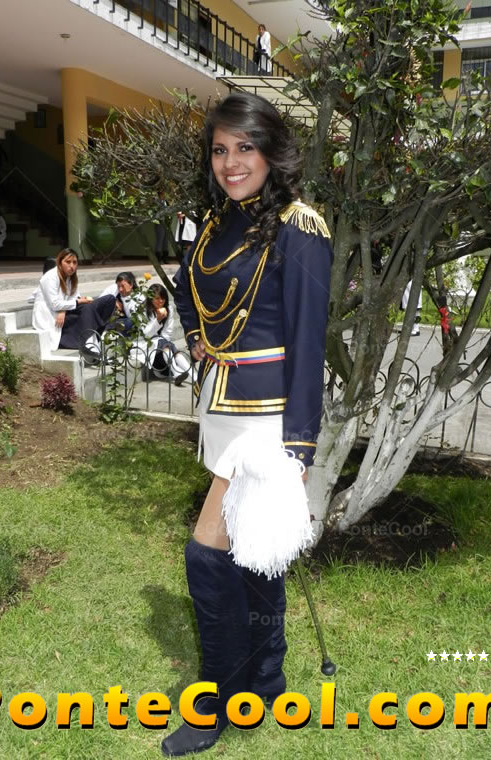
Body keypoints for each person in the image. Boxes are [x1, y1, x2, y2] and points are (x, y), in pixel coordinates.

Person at [163, 92, 332, 756]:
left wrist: (300, 447)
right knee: (256, 558)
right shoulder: (214, 224)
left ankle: (217, 702)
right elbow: (187, 289)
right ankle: (264, 683)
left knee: (206, 556)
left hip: (268, 421)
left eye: (245, 147)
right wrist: (196, 338)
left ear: (270, 151)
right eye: (220, 149)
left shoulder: (299, 225)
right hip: (223, 410)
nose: (231, 162)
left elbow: (309, 341)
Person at [31, 248, 116, 362]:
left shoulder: (70, 278)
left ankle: (92, 338)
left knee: (109, 300)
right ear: (59, 262)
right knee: (87, 308)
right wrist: (73, 304)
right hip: (52, 318)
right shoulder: (50, 277)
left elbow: (74, 297)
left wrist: (65, 309)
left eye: (74, 262)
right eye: (68, 262)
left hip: (64, 313)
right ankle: (89, 346)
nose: (72, 266)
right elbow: (55, 304)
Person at [133, 283, 195, 386]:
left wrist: (162, 341)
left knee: (167, 346)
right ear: (150, 299)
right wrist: (158, 320)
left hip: (163, 353)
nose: (161, 301)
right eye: (157, 298)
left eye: (163, 298)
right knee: (165, 344)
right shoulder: (142, 311)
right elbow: (146, 335)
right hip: (146, 346)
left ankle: (193, 376)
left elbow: (167, 332)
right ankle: (178, 373)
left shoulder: (168, 309)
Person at [100, 271, 144, 336]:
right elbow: (100, 300)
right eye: (118, 286)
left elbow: (137, 321)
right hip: (111, 320)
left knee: (130, 322)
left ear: (131, 285)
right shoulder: (114, 288)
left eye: (123, 286)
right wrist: (113, 302)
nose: (120, 289)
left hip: (129, 326)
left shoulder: (139, 298)